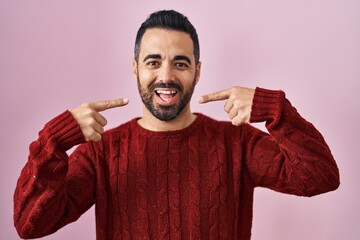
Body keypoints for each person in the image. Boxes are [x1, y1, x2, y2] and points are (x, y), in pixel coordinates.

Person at [14, 10, 340, 240]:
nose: (166, 77)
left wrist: (275, 109)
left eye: (180, 63)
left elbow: (320, 176)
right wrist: (54, 141)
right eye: (153, 62)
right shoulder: (101, 153)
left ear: (197, 71)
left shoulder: (236, 143)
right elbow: (31, 225)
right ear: (135, 68)